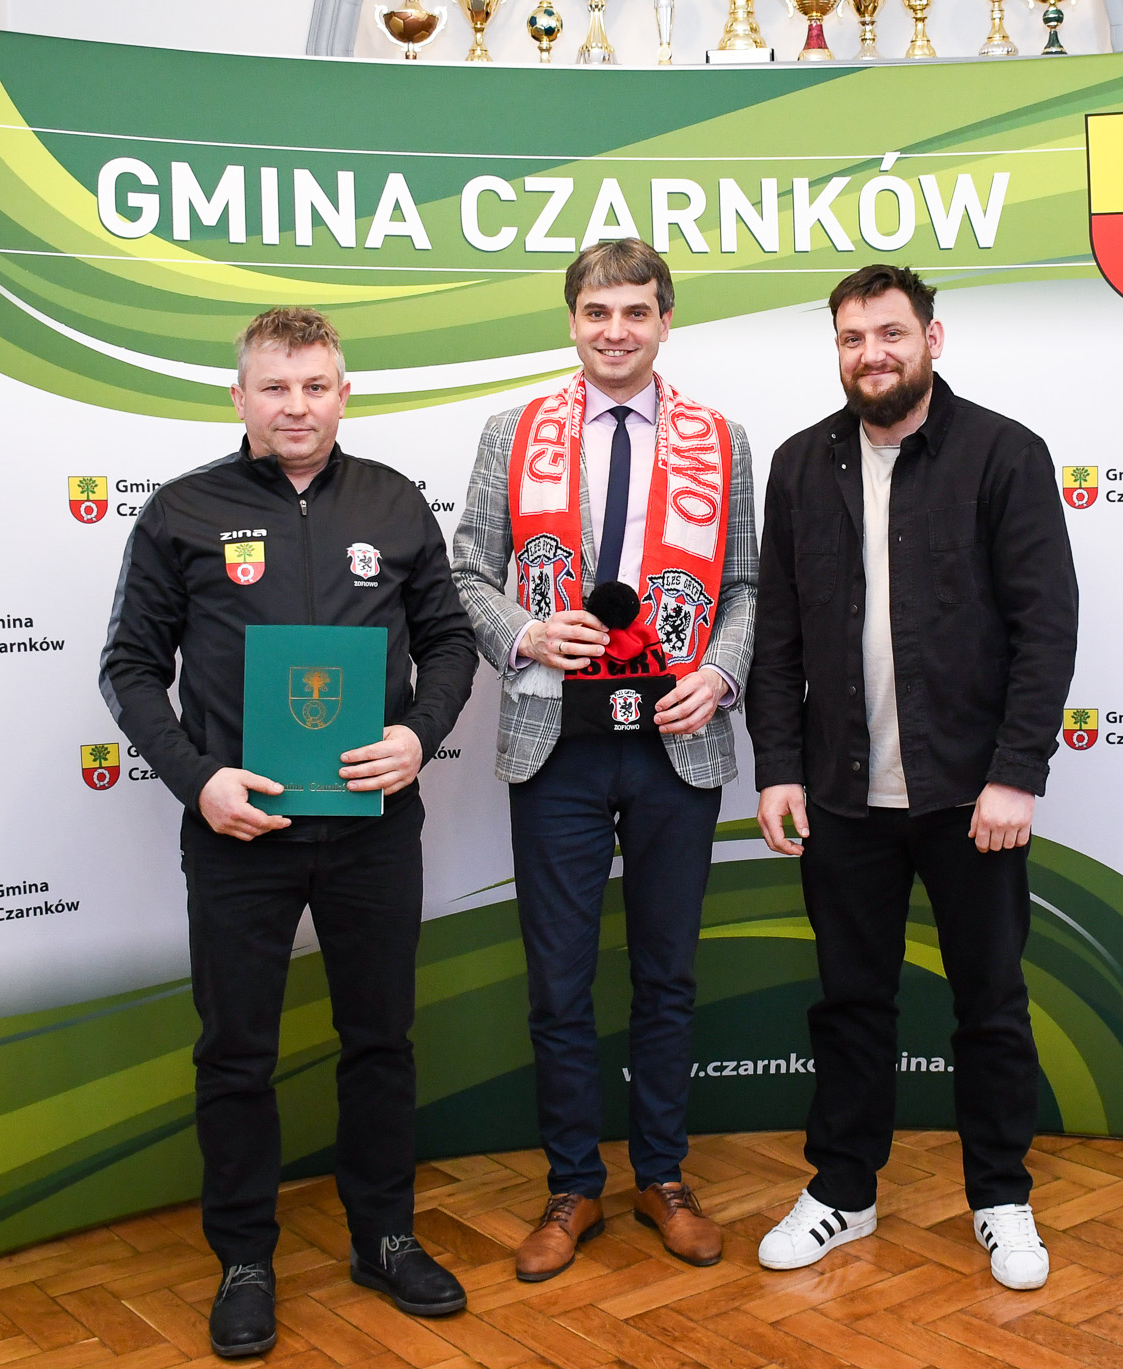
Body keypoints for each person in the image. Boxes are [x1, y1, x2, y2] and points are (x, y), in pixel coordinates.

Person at [100, 307, 477, 1356]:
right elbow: (129, 665)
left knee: (380, 1041)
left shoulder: (393, 501)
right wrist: (197, 781)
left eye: (315, 386)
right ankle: (244, 1259)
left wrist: (418, 733)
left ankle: (384, 1237)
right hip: (240, 831)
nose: (296, 406)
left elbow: (450, 641)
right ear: (240, 396)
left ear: (343, 393)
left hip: (371, 830)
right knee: (235, 1053)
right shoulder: (182, 511)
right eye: (275, 386)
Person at [747, 265, 1078, 1291]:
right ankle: (843, 1191)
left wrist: (1015, 772)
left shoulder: (1004, 455)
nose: (871, 354)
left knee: (990, 1003)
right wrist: (777, 767)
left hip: (971, 795)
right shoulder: (801, 465)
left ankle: (1001, 1197)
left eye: (890, 333)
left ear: (932, 338)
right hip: (842, 795)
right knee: (850, 1003)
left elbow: (1045, 626)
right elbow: (778, 638)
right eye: (852, 338)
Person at [450, 239, 757, 1281]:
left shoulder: (721, 440)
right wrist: (524, 634)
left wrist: (721, 671)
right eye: (596, 311)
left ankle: (663, 1175)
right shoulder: (514, 431)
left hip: (677, 739)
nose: (614, 330)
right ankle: (572, 1183)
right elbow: (467, 572)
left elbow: (746, 586)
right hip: (558, 742)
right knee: (560, 980)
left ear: (665, 319)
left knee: (667, 975)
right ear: (572, 320)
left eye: (634, 310)